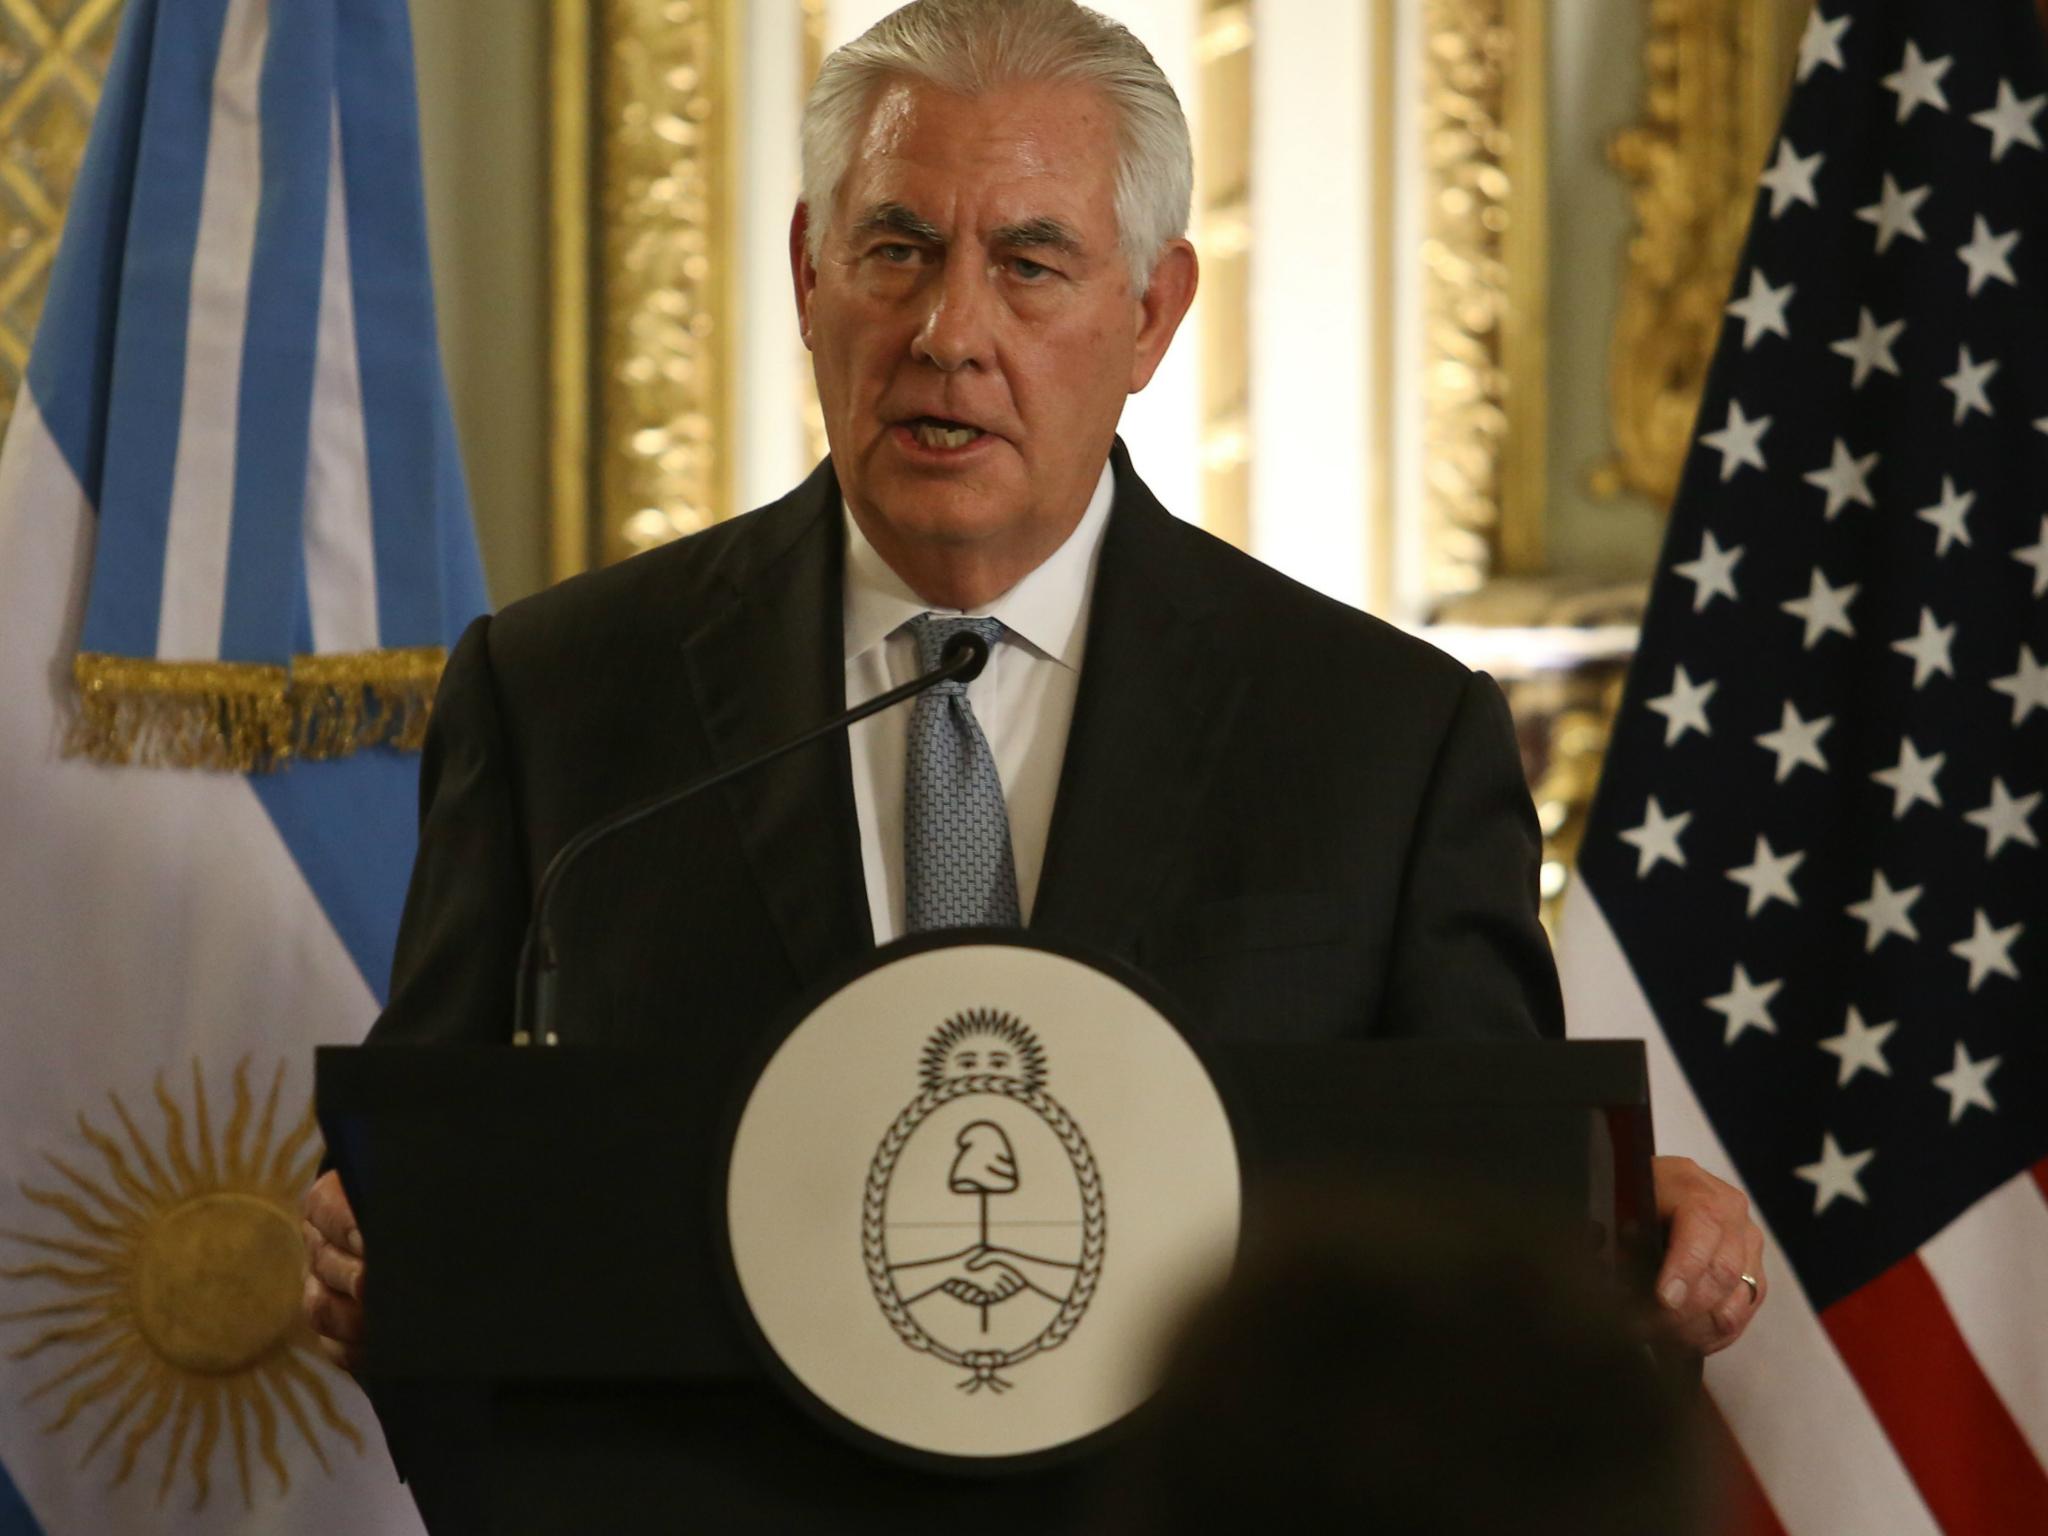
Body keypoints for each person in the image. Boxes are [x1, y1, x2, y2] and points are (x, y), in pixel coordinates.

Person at [302, 0, 1764, 1523]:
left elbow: (1497, 1268)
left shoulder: (1381, 740)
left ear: (1153, 312)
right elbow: (423, 1206)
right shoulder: (561, 702)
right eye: (898, 249)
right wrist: (374, 1268)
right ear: (809, 276)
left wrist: (1622, 1247)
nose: (952, 331)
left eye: (1030, 262)